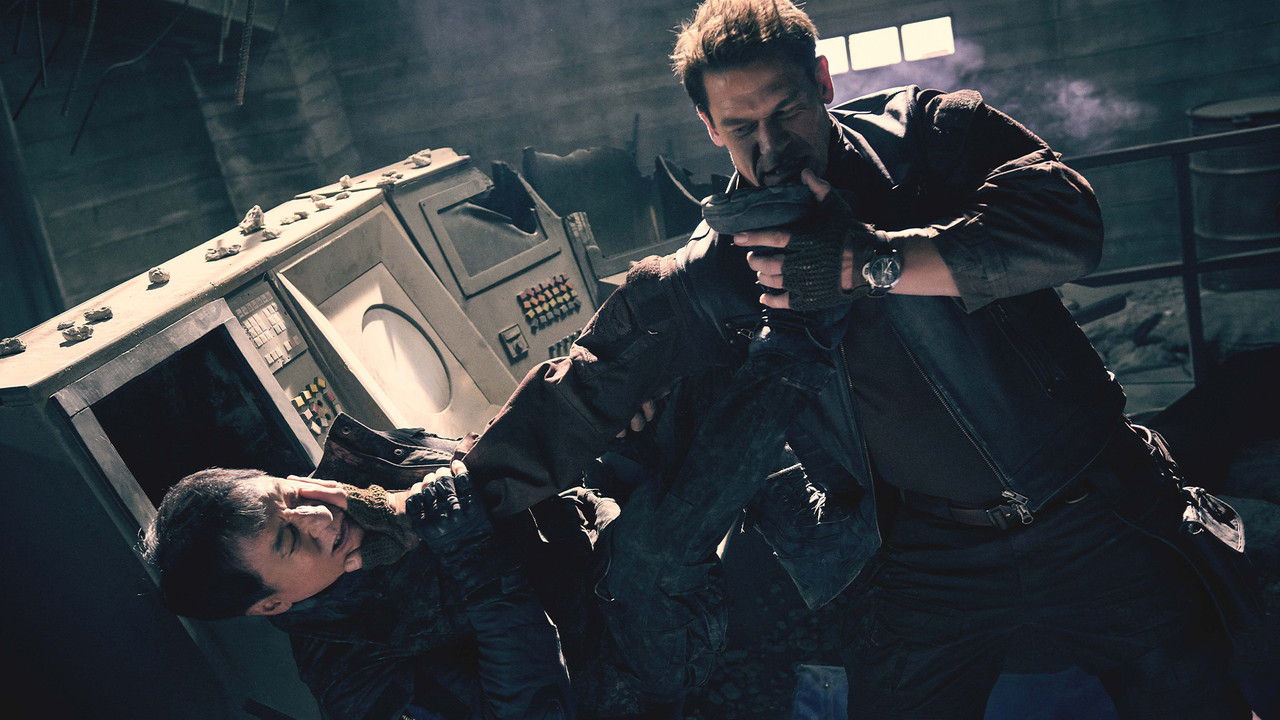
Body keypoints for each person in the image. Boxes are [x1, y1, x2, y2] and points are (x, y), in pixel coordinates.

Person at [456, 1, 1257, 718]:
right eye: (741, 127)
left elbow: (1069, 225)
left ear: (823, 81)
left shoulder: (934, 141)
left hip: (1094, 511)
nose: (771, 145)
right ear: (707, 126)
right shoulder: (719, 267)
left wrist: (870, 260)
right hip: (929, 556)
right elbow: (583, 390)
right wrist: (442, 501)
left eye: (786, 110)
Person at [141, 415, 598, 720]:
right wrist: (476, 561)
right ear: (271, 604)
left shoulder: (370, 466)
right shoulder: (351, 679)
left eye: (292, 495)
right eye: (291, 539)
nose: (320, 518)